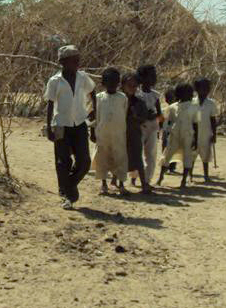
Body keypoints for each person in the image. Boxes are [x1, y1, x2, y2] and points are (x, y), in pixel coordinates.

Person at [44, 45, 96, 210]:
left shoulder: (82, 77)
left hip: (79, 123)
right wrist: (49, 127)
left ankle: (69, 186)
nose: (77, 63)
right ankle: (67, 195)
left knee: (85, 162)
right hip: (61, 125)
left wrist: (94, 109)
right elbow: (50, 104)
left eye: (78, 60)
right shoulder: (55, 81)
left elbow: (92, 91)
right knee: (63, 162)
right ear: (63, 62)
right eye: (74, 60)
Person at [91, 68, 129, 196]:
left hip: (119, 135)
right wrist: (92, 132)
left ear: (118, 83)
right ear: (103, 83)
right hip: (102, 135)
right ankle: (103, 184)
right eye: (109, 81)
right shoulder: (99, 98)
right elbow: (95, 117)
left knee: (120, 158)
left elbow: (125, 114)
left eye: (115, 81)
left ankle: (121, 185)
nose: (113, 84)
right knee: (102, 158)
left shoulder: (123, 98)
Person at [157, 83, 198, 190]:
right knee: (167, 155)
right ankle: (160, 178)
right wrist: (165, 134)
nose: (187, 95)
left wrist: (196, 139)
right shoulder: (172, 107)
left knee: (187, 157)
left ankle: (183, 180)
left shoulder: (194, 107)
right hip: (174, 134)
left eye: (189, 93)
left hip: (188, 135)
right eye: (184, 93)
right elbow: (167, 122)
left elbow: (196, 123)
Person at [122, 72, 154, 194]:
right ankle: (117, 182)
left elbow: (144, 117)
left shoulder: (139, 102)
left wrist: (136, 116)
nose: (132, 88)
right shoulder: (118, 99)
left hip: (134, 132)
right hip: (120, 132)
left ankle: (143, 183)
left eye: (135, 86)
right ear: (123, 85)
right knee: (120, 156)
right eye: (129, 85)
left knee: (137, 157)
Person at [136, 64, 163, 184]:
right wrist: (146, 115)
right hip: (139, 127)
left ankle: (146, 180)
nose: (154, 78)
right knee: (137, 153)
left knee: (151, 155)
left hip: (152, 128)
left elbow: (160, 113)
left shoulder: (155, 95)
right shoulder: (136, 94)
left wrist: (160, 127)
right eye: (151, 76)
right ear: (142, 78)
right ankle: (135, 176)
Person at [191, 78, 219, 183]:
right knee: (192, 155)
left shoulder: (211, 103)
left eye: (208, 88)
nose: (206, 90)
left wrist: (214, 134)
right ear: (197, 89)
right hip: (193, 134)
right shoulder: (192, 102)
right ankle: (190, 175)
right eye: (204, 88)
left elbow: (213, 120)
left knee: (206, 155)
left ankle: (206, 176)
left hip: (206, 133)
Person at [160, 87, 178, 173]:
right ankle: (165, 165)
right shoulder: (165, 109)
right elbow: (161, 120)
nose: (168, 99)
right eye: (167, 97)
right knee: (165, 149)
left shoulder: (177, 108)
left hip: (174, 131)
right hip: (165, 131)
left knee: (174, 149)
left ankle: (172, 166)